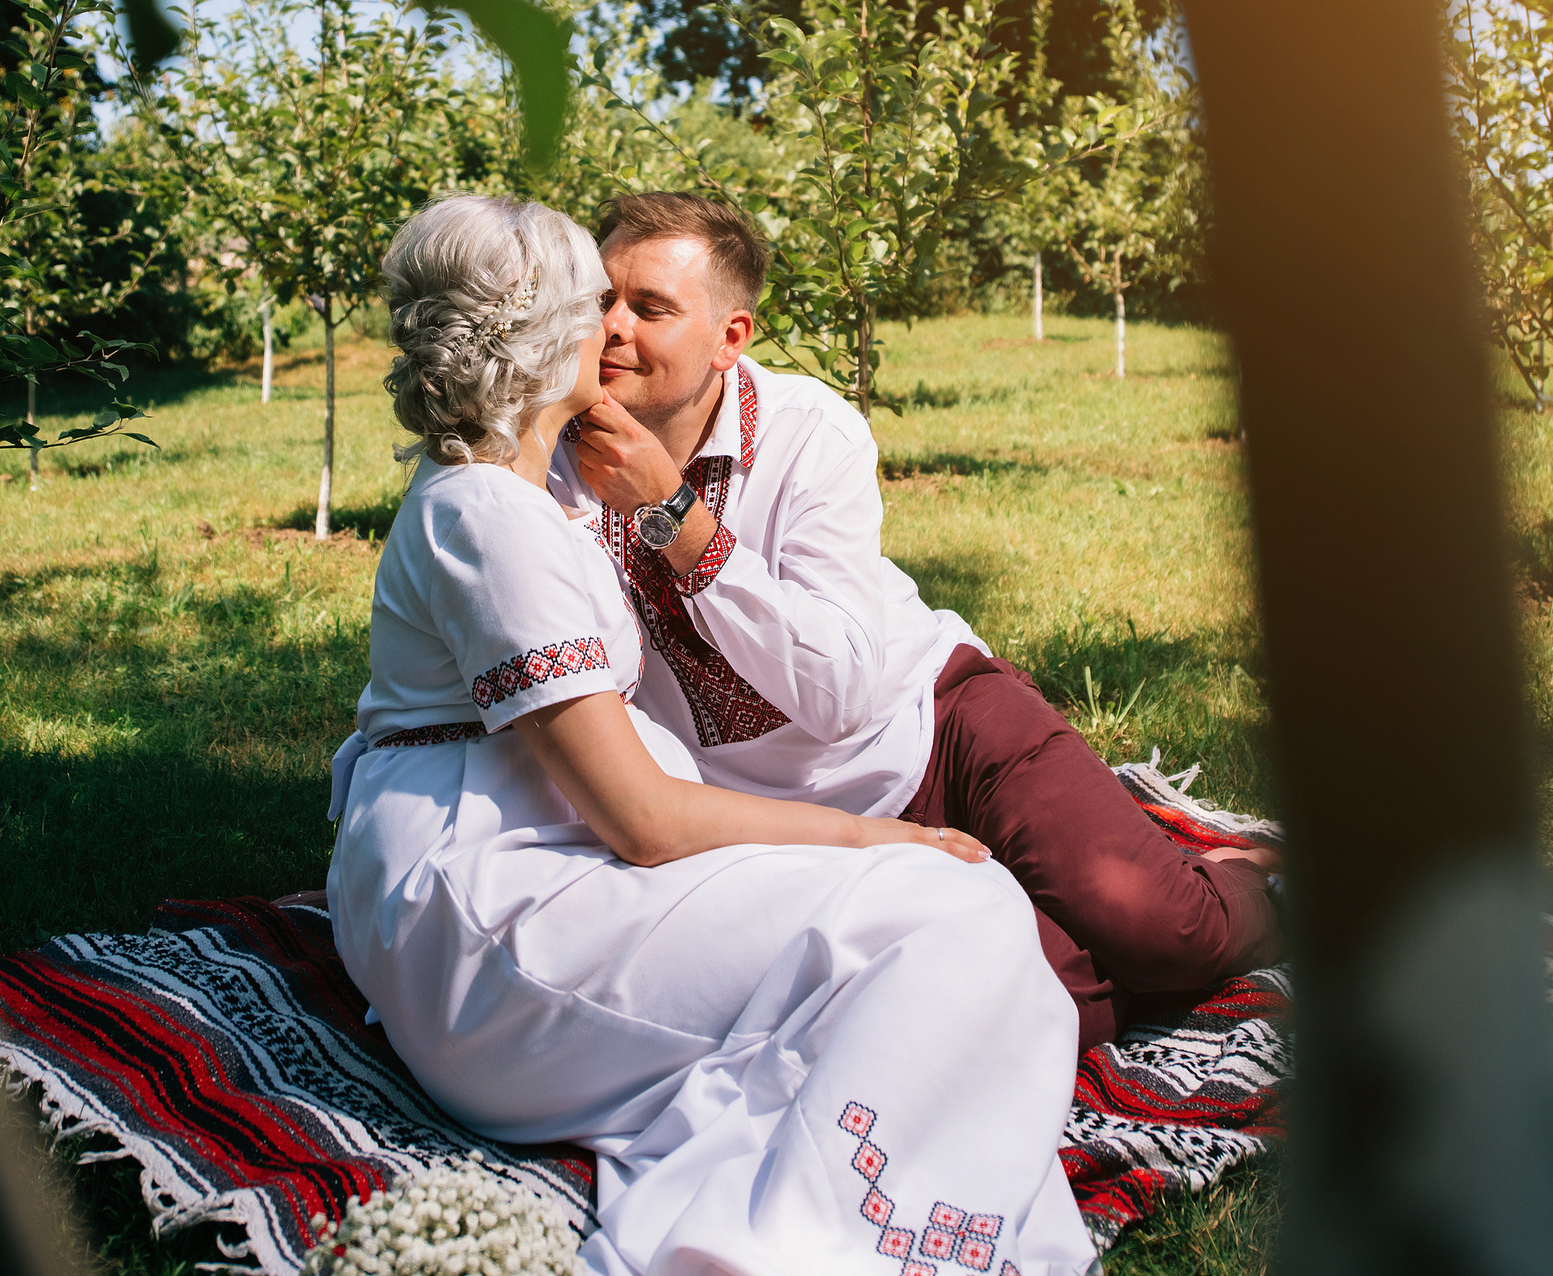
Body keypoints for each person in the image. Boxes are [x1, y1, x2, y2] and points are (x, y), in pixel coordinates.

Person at [327, 194, 1098, 1276]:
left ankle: (837, 1198)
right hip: (493, 926)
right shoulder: (487, 518)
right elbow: (643, 819)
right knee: (952, 914)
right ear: (551, 336)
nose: (621, 330)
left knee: (953, 924)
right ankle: (780, 1244)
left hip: (542, 861)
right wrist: (878, 840)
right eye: (601, 303)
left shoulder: (519, 496)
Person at [549, 192, 1281, 1053]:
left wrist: (673, 514)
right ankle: (1061, 899)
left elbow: (842, 697)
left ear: (730, 339)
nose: (615, 327)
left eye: (651, 307)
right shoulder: (554, 459)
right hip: (786, 834)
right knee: (968, 1014)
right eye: (603, 300)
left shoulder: (810, 434)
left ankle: (1240, 878)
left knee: (1165, 930)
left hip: (935, 730)